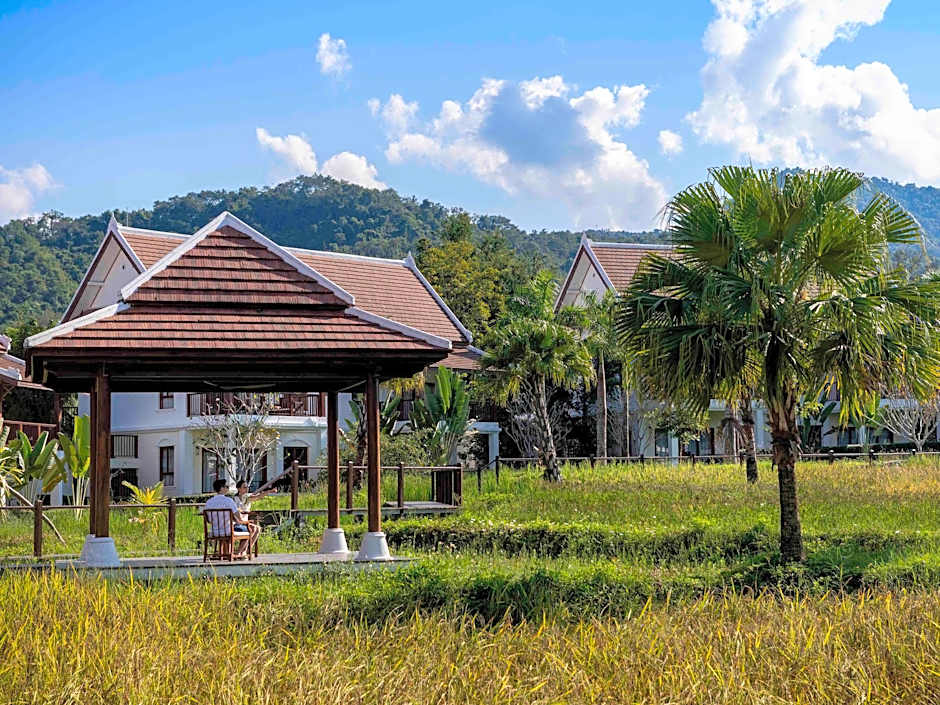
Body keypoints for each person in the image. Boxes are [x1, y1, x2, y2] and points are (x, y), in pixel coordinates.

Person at [204, 479, 251, 558]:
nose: (228, 488)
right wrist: (245, 522)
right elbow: (239, 517)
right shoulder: (229, 501)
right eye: (227, 487)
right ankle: (237, 554)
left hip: (214, 531)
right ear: (222, 488)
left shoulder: (209, 502)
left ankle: (225, 554)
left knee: (230, 531)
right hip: (227, 531)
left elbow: (208, 520)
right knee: (249, 531)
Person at [233, 479, 271, 552]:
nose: (247, 489)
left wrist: (269, 491)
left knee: (258, 528)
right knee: (253, 529)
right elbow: (235, 511)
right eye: (244, 487)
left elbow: (258, 497)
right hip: (237, 522)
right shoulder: (234, 499)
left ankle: (247, 549)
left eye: (247, 487)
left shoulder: (247, 497)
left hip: (245, 522)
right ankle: (241, 551)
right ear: (238, 489)